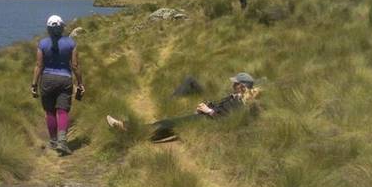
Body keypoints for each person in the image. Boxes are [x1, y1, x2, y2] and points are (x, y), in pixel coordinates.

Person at [106, 72, 259, 142]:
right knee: (169, 125)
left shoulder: (240, 102)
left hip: (206, 121)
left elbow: (227, 118)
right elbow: (220, 109)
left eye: (235, 83)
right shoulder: (235, 97)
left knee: (168, 123)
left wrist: (208, 111)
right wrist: (206, 107)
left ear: (241, 86)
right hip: (204, 117)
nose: (232, 84)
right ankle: (136, 133)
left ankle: (127, 127)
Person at [31, 15, 85, 155]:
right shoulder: (71, 43)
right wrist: (80, 83)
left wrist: (34, 84)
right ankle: (62, 141)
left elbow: (39, 65)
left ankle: (54, 141)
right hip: (65, 80)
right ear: (62, 27)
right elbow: (75, 65)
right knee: (62, 111)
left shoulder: (42, 44)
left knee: (49, 112)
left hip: (47, 80)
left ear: (48, 29)